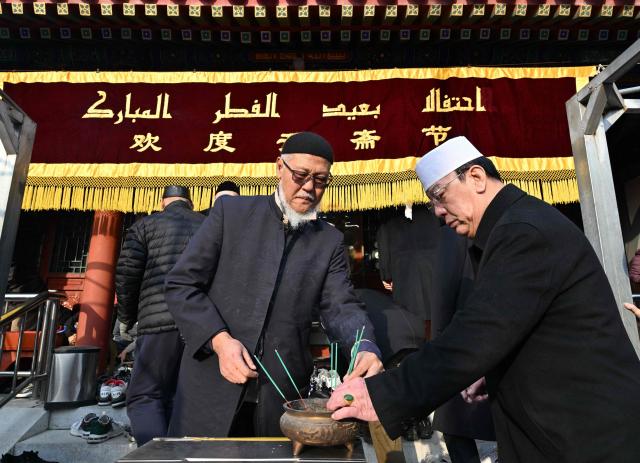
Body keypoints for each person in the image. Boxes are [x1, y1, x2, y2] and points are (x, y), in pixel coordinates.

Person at [328, 136, 640, 462]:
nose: (436, 212)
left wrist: (383, 395)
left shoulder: (525, 232)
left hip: (588, 435)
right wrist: (495, 367)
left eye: (439, 196)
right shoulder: (511, 227)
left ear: (476, 178)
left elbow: (478, 333)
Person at [165, 131, 383, 438]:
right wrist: (219, 340)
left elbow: (340, 305)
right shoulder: (231, 214)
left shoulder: (328, 240)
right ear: (279, 167)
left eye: (320, 180)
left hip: (281, 392)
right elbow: (181, 284)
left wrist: (364, 345)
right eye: (301, 175)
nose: (309, 188)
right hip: (211, 382)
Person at [115, 185, 205, 446]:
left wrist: (127, 317)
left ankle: (154, 456)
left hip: (157, 322)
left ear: (163, 202)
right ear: (190, 202)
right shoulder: (207, 225)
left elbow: (127, 276)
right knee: (186, 396)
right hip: (201, 323)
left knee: (146, 395)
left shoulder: (144, 226)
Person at [430, 227, 494, 462]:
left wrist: (437, 344)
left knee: (454, 424)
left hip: (462, 339)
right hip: (502, 337)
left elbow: (443, 292)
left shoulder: (454, 233)